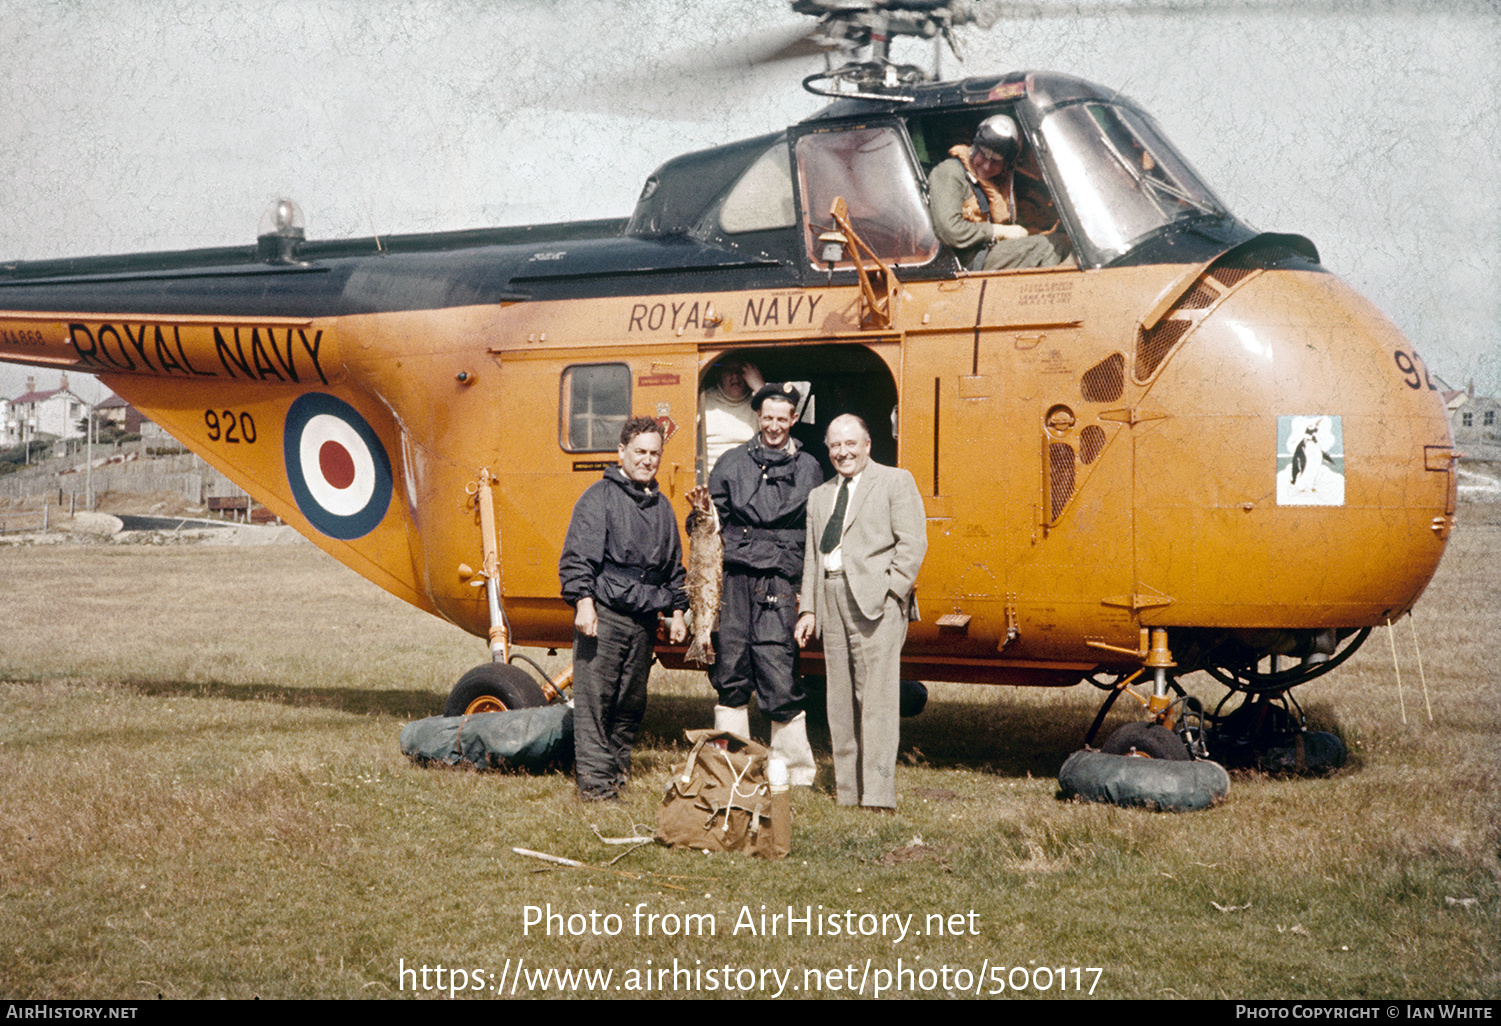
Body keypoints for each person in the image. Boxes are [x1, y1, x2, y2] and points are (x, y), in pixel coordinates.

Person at [690, 382, 823, 785]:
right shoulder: (730, 464)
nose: (774, 426)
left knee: (778, 667)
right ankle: (730, 768)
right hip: (733, 579)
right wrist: (698, 514)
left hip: (779, 580)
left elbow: (812, 532)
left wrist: (803, 588)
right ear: (758, 417)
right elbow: (707, 526)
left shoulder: (810, 467)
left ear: (794, 419)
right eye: (767, 417)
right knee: (730, 667)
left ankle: (795, 771)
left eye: (783, 419)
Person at [794, 414, 927, 811]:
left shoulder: (895, 481)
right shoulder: (819, 497)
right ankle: (848, 794)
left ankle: (879, 795)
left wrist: (892, 593)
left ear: (867, 445)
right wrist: (809, 609)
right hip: (831, 599)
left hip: (877, 603)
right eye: (835, 445)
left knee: (878, 701)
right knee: (838, 702)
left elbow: (913, 542)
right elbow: (812, 559)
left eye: (851, 444)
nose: (843, 452)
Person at [559, 416, 688, 801]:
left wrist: (678, 611)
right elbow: (577, 558)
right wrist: (584, 604)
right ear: (621, 453)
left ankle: (616, 776)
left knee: (630, 703)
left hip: (645, 620)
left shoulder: (663, 506)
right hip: (606, 615)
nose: (647, 460)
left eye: (654, 453)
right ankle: (596, 788)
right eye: (640, 452)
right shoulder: (598, 498)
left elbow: (673, 566)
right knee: (595, 702)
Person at [927, 113, 1071, 271]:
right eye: (984, 154)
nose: (987, 166)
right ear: (975, 146)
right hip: (969, 261)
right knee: (1052, 246)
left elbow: (1015, 226)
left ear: (1006, 165)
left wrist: (1041, 232)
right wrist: (997, 231)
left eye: (996, 161)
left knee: (1058, 240)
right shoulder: (950, 172)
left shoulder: (1000, 182)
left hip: (989, 251)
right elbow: (949, 231)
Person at [700, 357, 765, 476]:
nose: (735, 376)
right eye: (729, 370)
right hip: (710, 480)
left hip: (750, 479)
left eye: (740, 371)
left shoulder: (761, 404)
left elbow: (779, 425)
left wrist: (760, 388)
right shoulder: (702, 402)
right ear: (718, 375)